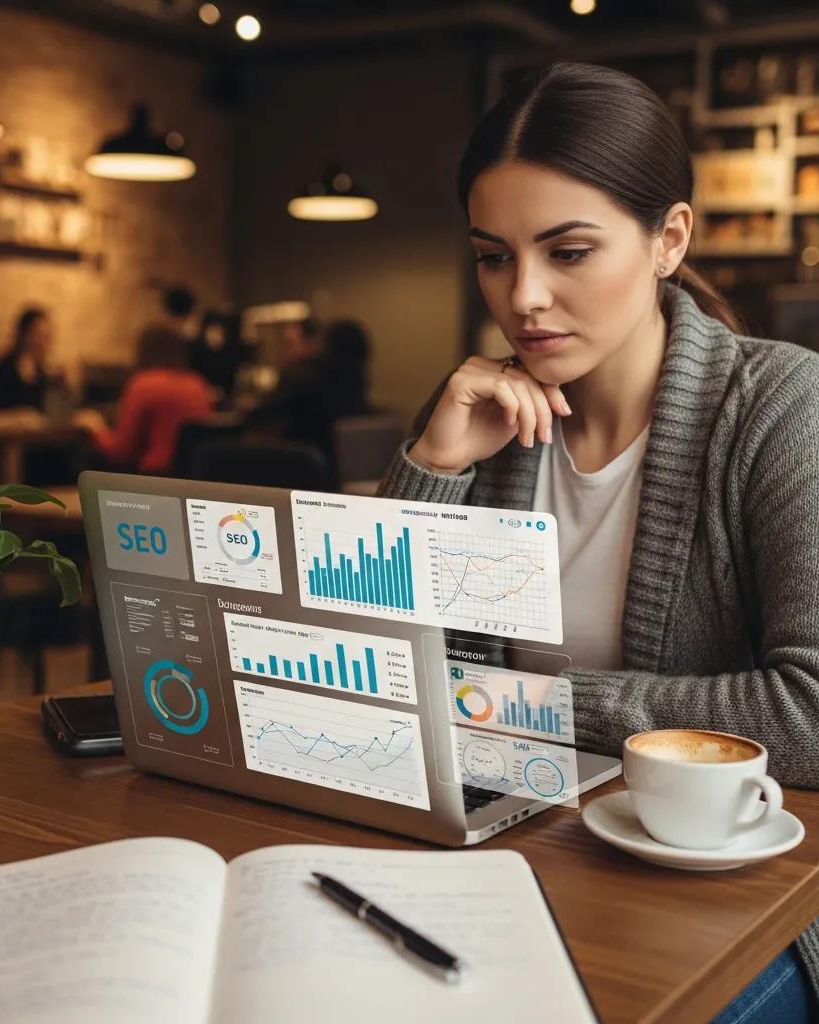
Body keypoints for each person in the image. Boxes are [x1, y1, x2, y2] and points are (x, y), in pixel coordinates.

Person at [377, 62, 819, 1023]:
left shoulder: (782, 407)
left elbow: (811, 712)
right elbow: (382, 682)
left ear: (670, 239)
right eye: (493, 257)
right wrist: (433, 467)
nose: (524, 297)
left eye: (568, 251)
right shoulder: (475, 414)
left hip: (740, 905)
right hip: (514, 863)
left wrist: (524, 704)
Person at [73, 325, 214, 475]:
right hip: (192, 478)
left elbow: (120, 453)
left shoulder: (144, 384)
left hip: (151, 479)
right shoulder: (198, 384)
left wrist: (95, 428)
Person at [246, 318, 371, 466]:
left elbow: (262, 414)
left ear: (315, 343)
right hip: (346, 464)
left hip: (302, 465)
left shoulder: (302, 376)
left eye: (291, 342)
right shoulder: (355, 380)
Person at [0, 307, 55, 414]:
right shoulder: (5, 368)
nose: (43, 343)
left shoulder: (41, 372)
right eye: (38, 335)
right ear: (24, 335)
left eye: (46, 337)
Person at [189, 310, 254, 398]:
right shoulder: (196, 353)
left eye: (219, 332)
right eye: (212, 331)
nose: (215, 336)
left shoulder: (233, 354)